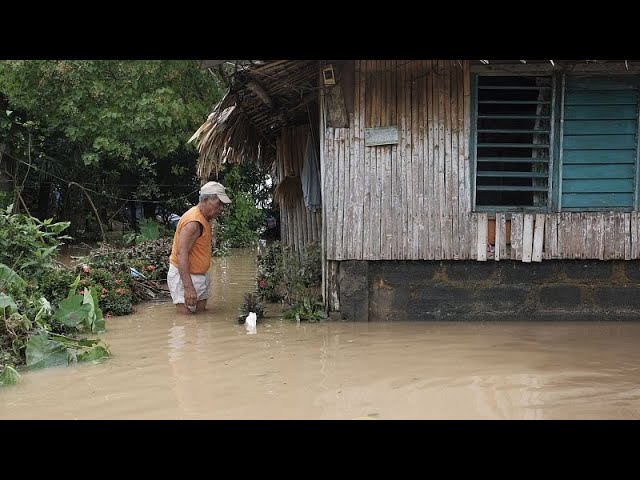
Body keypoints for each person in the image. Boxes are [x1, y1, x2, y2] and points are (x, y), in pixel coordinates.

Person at [167, 181, 231, 314]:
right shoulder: (193, 222)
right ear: (206, 200)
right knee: (186, 324)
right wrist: (188, 287)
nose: (221, 209)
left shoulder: (203, 218)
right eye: (219, 204)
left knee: (200, 322)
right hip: (186, 277)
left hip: (199, 275)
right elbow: (181, 254)